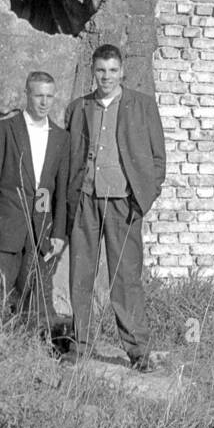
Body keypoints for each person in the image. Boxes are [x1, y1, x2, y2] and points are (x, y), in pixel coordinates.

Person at [64, 44, 165, 370]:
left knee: (125, 279)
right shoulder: (78, 108)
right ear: (93, 72)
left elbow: (157, 159)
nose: (106, 77)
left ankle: (138, 352)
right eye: (100, 70)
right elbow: (71, 157)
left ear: (122, 71)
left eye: (112, 70)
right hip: (86, 203)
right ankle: (80, 346)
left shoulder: (142, 106)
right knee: (81, 275)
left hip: (124, 204)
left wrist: (142, 200)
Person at [0, 71, 68, 332]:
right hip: (5, 228)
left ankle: (31, 349)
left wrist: (59, 232)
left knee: (36, 298)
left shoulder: (61, 137)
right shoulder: (3, 130)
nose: (44, 102)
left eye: (49, 96)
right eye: (39, 95)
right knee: (0, 296)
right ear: (27, 94)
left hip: (40, 232)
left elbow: (60, 190)